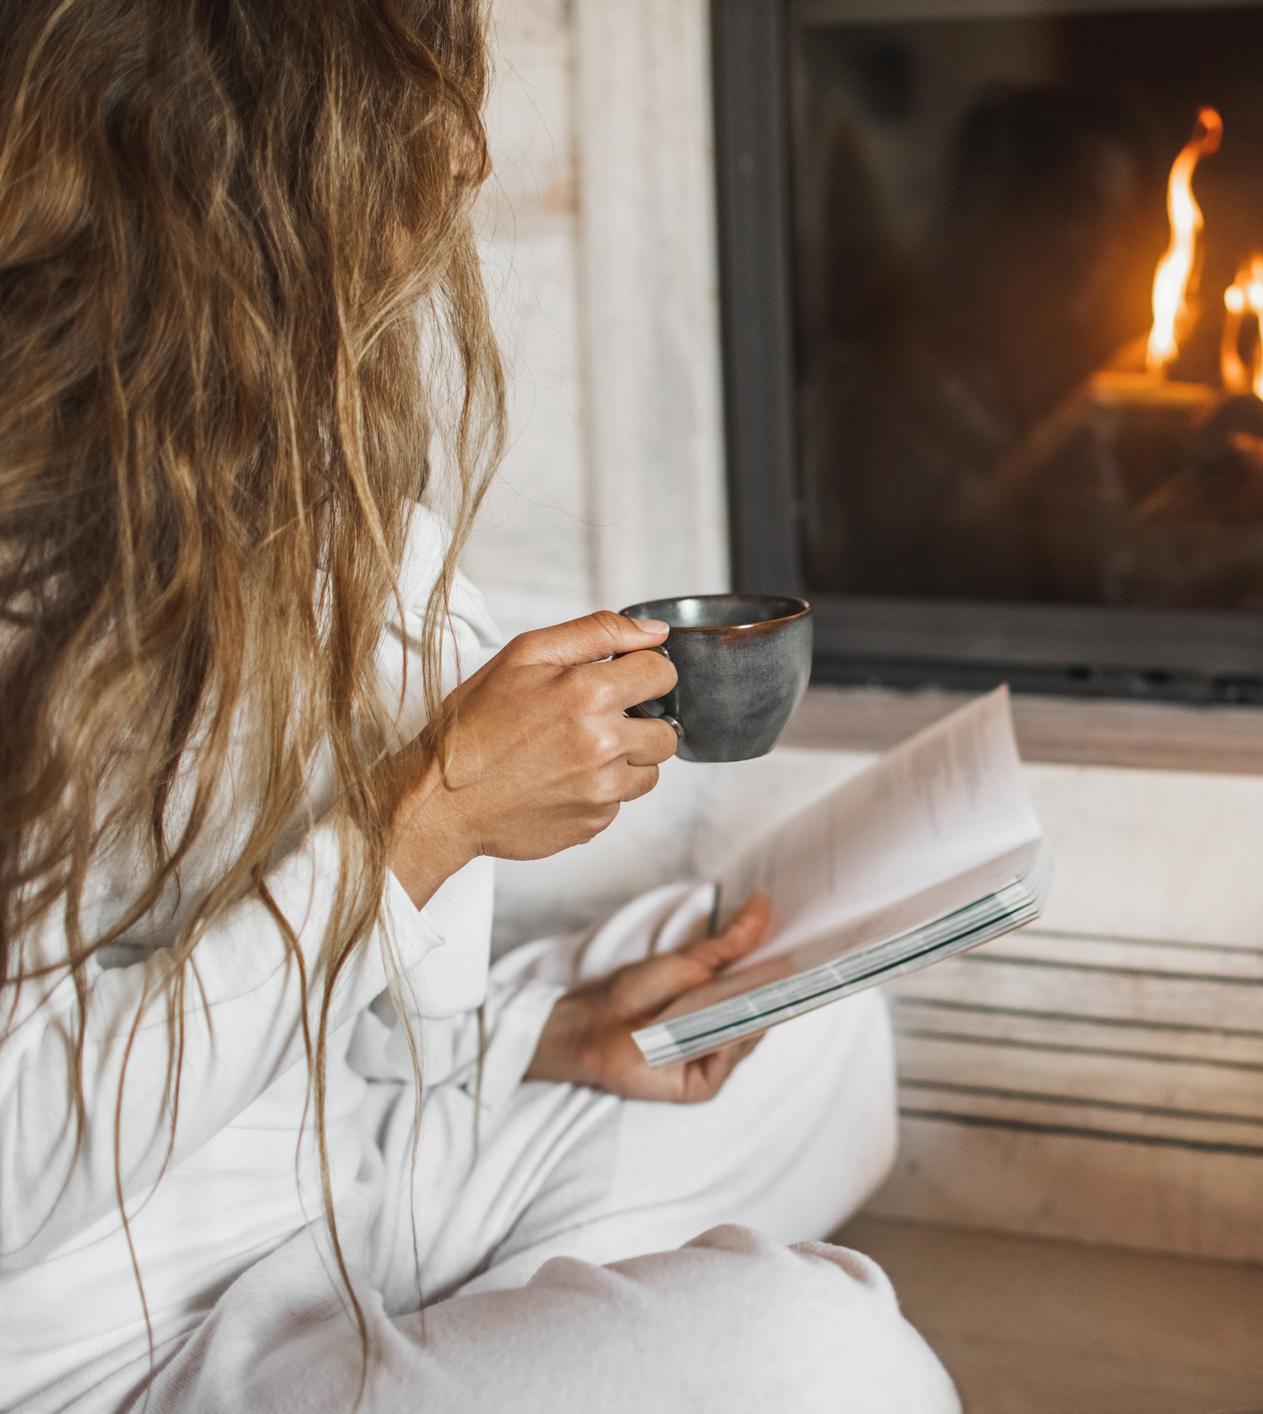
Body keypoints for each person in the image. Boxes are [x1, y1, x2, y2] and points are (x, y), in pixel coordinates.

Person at [0, 3, 958, 1410]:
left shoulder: (306, 487)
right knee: (824, 1359)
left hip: (351, 1183)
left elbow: (351, 1016)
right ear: (226, 158)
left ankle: (479, 1346)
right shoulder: (28, 568)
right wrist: (423, 824)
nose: (466, 157)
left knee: (809, 1027)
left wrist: (544, 1039)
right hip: (110, 1337)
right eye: (415, 100)